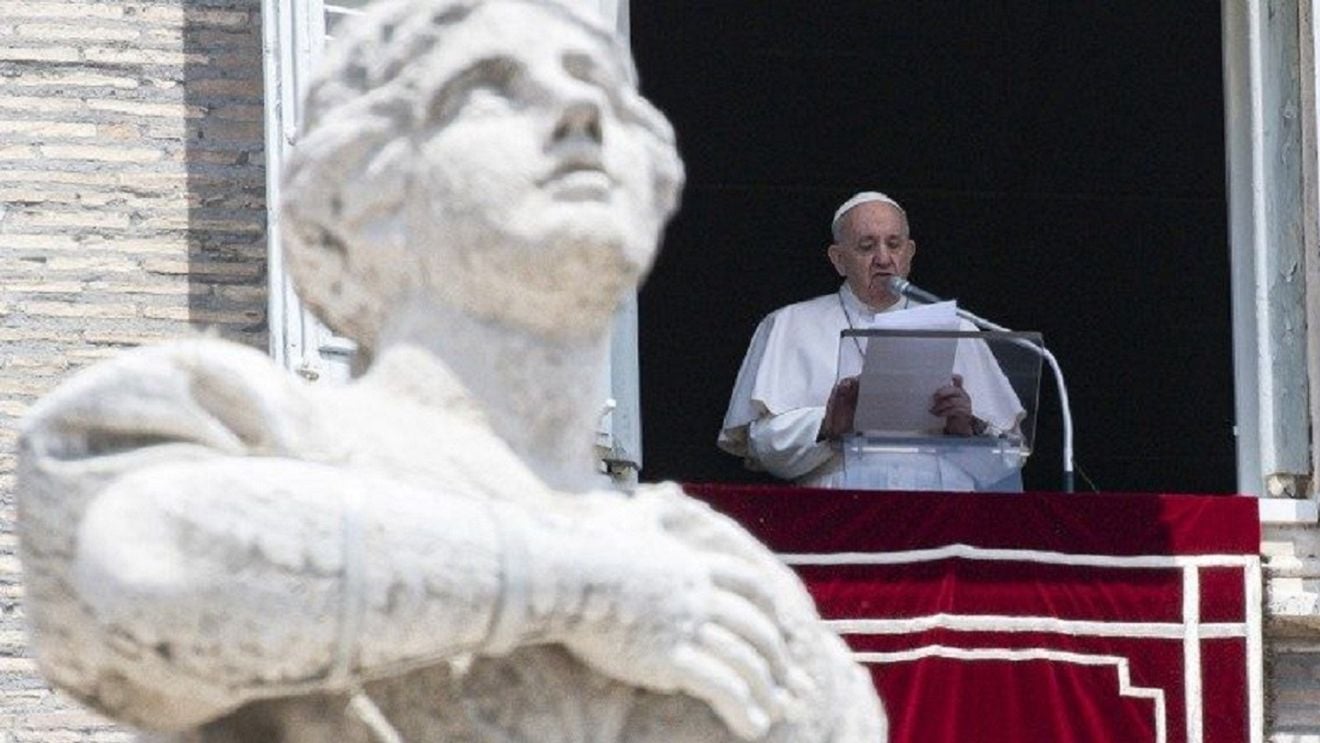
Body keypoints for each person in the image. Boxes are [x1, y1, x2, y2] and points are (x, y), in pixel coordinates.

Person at [16, 2, 884, 742]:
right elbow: (148, 561)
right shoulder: (237, 431)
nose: (580, 108)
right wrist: (584, 582)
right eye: (492, 88)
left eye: (606, 90)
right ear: (368, 196)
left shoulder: (733, 582)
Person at [718, 192, 1025, 490]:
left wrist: (969, 429)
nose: (883, 258)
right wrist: (827, 425)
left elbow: (1010, 457)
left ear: (909, 253)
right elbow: (761, 445)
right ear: (838, 259)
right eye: (867, 246)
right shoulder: (789, 324)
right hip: (840, 511)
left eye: (894, 244)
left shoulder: (959, 327)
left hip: (941, 509)